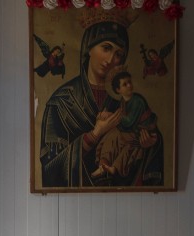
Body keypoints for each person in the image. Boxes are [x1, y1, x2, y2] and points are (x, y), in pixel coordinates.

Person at [38, 12, 164, 188]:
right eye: (106, 48)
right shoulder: (61, 102)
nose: (111, 59)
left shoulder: (127, 100)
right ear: (89, 47)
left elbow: (152, 138)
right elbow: (50, 168)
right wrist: (94, 135)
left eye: (119, 54)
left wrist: (149, 144)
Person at [92, 70, 159, 179]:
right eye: (125, 84)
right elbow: (124, 124)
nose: (129, 85)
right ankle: (103, 165)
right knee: (110, 136)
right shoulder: (123, 101)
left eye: (129, 82)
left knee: (127, 144)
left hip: (142, 132)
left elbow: (129, 122)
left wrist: (112, 116)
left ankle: (114, 168)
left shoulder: (138, 100)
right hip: (131, 131)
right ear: (118, 90)